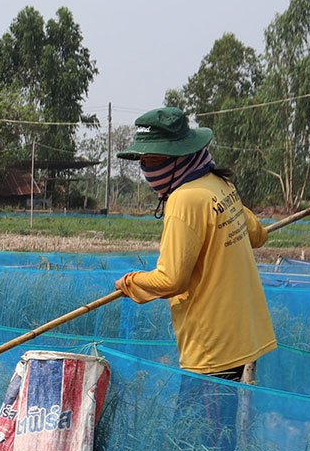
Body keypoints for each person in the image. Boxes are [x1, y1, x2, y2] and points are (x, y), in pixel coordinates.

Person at [112, 107, 274, 382]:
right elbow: (258, 235)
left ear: (176, 157)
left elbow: (172, 280)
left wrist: (129, 282)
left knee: (197, 425)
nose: (146, 169)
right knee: (221, 424)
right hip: (243, 334)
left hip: (212, 348)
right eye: (143, 160)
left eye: (151, 160)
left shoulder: (184, 199)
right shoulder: (219, 185)